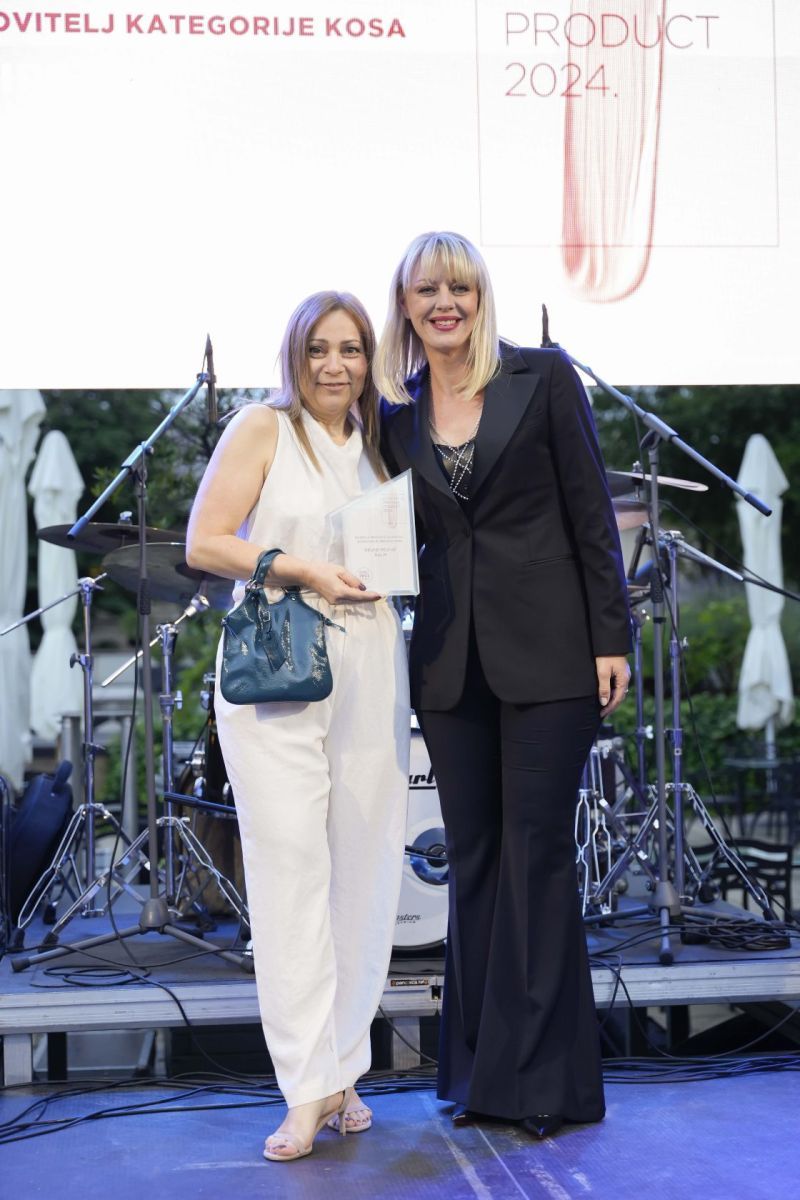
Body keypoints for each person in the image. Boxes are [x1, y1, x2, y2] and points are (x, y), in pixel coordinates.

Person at [374, 232, 631, 1137]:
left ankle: (547, 1083)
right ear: (405, 305)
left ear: (482, 298)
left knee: (536, 852)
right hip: (450, 662)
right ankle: (482, 1078)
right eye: (427, 290)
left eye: (460, 288)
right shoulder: (395, 412)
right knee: (475, 858)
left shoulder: (543, 377)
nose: (444, 303)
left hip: (553, 654)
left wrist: (611, 636)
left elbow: (591, 512)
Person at [186, 292, 410, 1161]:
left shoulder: (381, 443)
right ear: (295, 355)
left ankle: (343, 1068)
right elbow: (206, 541)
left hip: (371, 660)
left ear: (369, 360)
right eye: (319, 348)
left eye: (351, 349)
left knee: (363, 872)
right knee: (289, 875)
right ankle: (304, 1088)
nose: (334, 365)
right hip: (277, 660)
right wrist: (301, 568)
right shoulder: (262, 428)